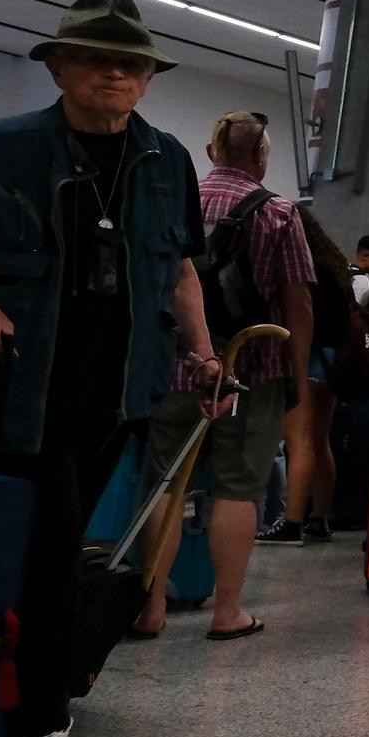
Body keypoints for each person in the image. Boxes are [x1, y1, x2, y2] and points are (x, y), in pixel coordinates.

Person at [0, 0, 217, 737]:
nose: (117, 72)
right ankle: (36, 730)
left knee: (50, 553)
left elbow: (179, 268)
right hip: (18, 394)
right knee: (49, 559)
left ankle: (4, 691)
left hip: (118, 398)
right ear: (57, 66)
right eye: (96, 58)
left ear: (149, 78)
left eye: (133, 63)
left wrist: (204, 352)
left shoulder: (167, 160)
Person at [135, 111, 314, 640]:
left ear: (211, 152)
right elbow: (297, 300)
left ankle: (151, 608)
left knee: (165, 482)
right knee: (239, 487)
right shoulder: (279, 213)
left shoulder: (174, 203)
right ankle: (226, 610)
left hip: (176, 365)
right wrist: (297, 373)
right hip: (251, 367)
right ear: (261, 156)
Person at [257, 210, 356, 544]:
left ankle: (291, 522)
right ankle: (319, 517)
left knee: (297, 440)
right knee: (319, 440)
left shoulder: (307, 271)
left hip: (309, 357)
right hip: (332, 363)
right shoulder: (338, 270)